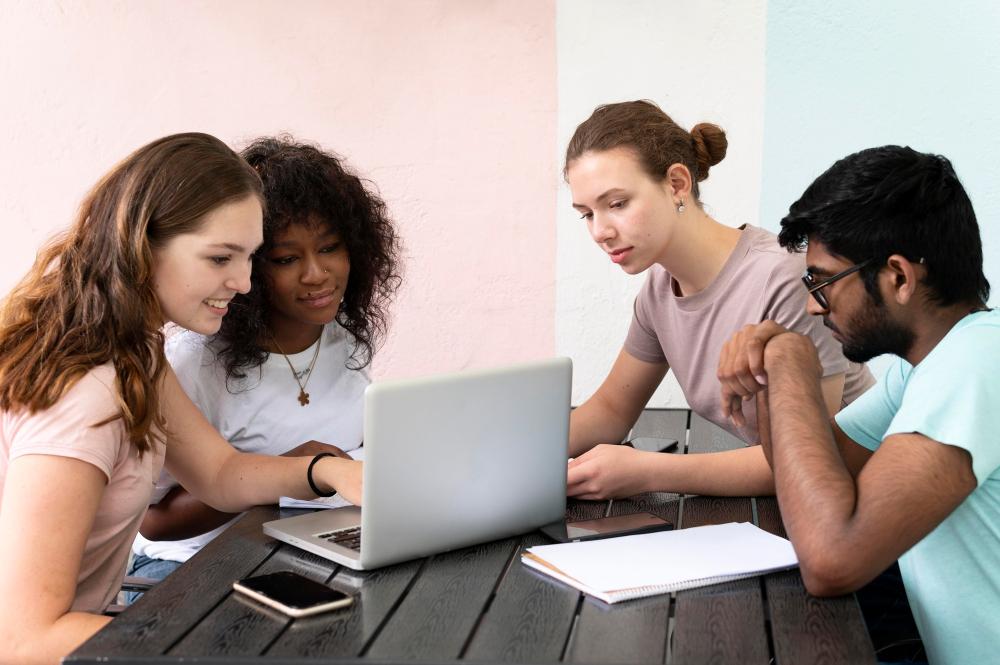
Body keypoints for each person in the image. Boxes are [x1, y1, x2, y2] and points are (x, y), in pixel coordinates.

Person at [0, 133, 364, 664]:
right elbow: (24, 641)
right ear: (141, 244)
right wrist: (212, 642)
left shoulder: (134, 351)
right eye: (220, 258)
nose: (243, 283)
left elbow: (218, 473)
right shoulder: (86, 396)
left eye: (250, 258)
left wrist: (328, 471)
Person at [717, 145, 998, 665]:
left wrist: (798, 362)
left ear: (898, 277)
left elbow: (831, 559)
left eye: (822, 282)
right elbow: (813, 479)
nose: (810, 305)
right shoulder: (926, 369)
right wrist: (780, 357)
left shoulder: (978, 362)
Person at [563, 100, 873, 499]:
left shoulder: (785, 279)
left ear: (677, 184)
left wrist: (648, 471)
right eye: (586, 213)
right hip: (792, 504)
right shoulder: (659, 290)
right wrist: (511, 461)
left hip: (865, 497)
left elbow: (813, 458)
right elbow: (610, 411)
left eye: (617, 204)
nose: (600, 231)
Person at [129, 136, 400, 589]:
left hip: (295, 550)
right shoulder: (186, 363)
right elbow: (155, 522)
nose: (316, 274)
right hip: (187, 567)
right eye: (286, 258)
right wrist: (296, 472)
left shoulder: (345, 343)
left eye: (331, 248)